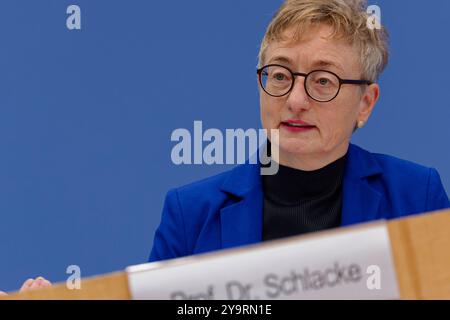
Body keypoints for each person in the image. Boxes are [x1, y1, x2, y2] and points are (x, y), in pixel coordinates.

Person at [149, 0, 450, 262]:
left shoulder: (416, 199)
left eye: (322, 81)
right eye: (280, 75)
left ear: (365, 103)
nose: (295, 101)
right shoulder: (190, 214)